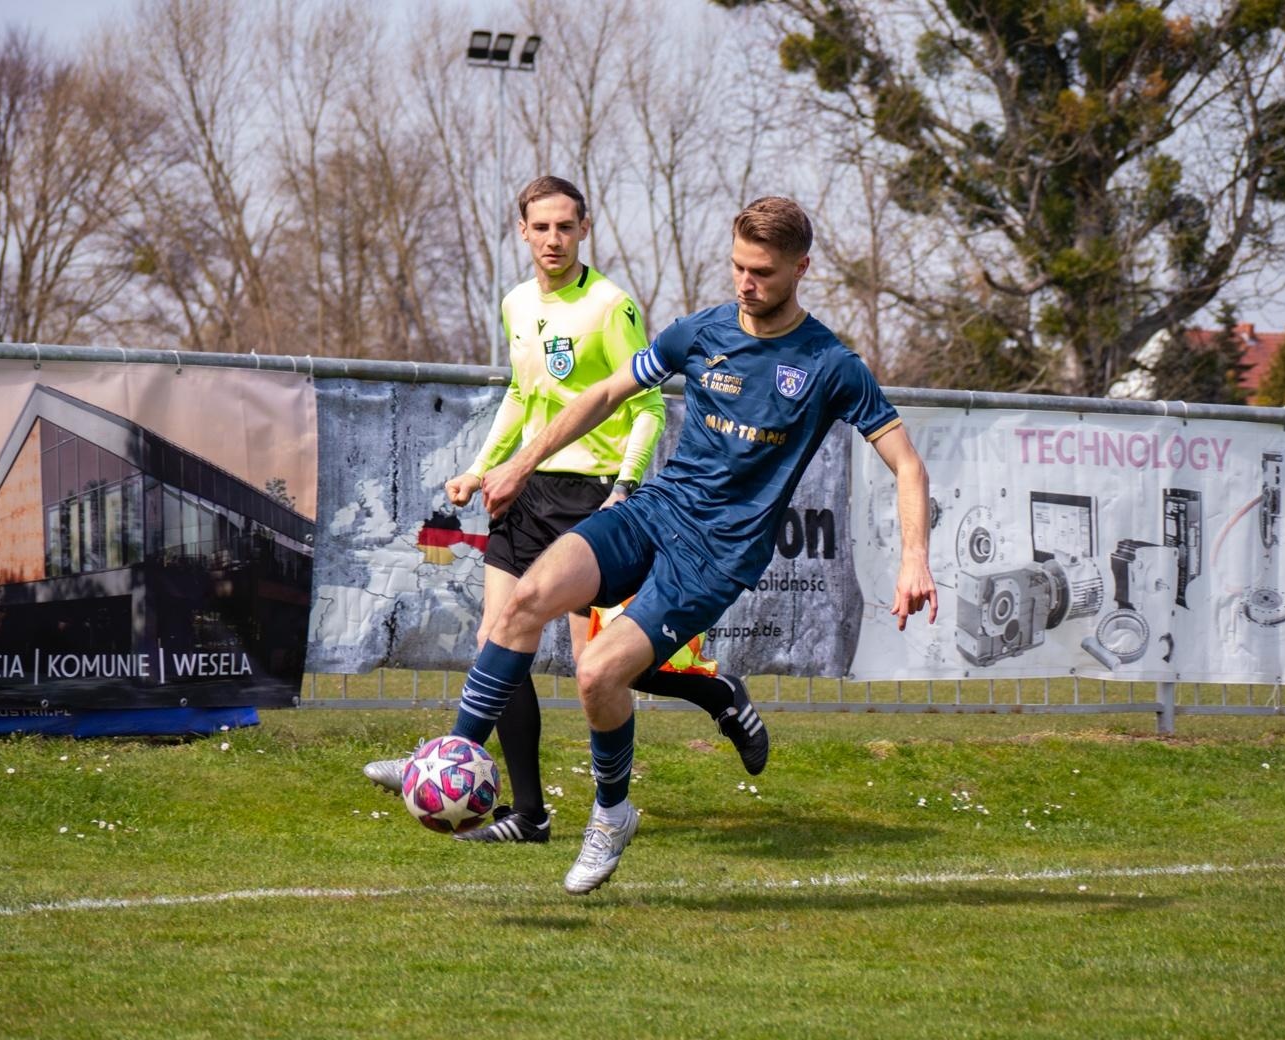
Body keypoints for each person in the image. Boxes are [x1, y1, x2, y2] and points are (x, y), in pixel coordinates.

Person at [455, 195, 937, 894]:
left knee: (598, 675)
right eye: (739, 266)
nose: (746, 283)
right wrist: (521, 463)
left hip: (717, 554)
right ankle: (453, 754)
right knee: (524, 599)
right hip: (656, 509)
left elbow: (908, 465)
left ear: (801, 269)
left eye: (763, 272)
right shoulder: (701, 331)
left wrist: (915, 558)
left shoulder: (830, 364)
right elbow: (607, 394)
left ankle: (611, 814)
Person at [362, 176, 766, 843]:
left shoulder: (610, 305)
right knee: (498, 637)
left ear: (584, 230)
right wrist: (483, 468)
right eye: (541, 227)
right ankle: (526, 811)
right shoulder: (516, 303)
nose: (553, 239)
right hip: (527, 492)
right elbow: (522, 396)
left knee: (599, 663)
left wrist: (624, 486)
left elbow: (646, 407)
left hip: (593, 496)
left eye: (565, 227)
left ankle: (717, 693)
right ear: (522, 231)